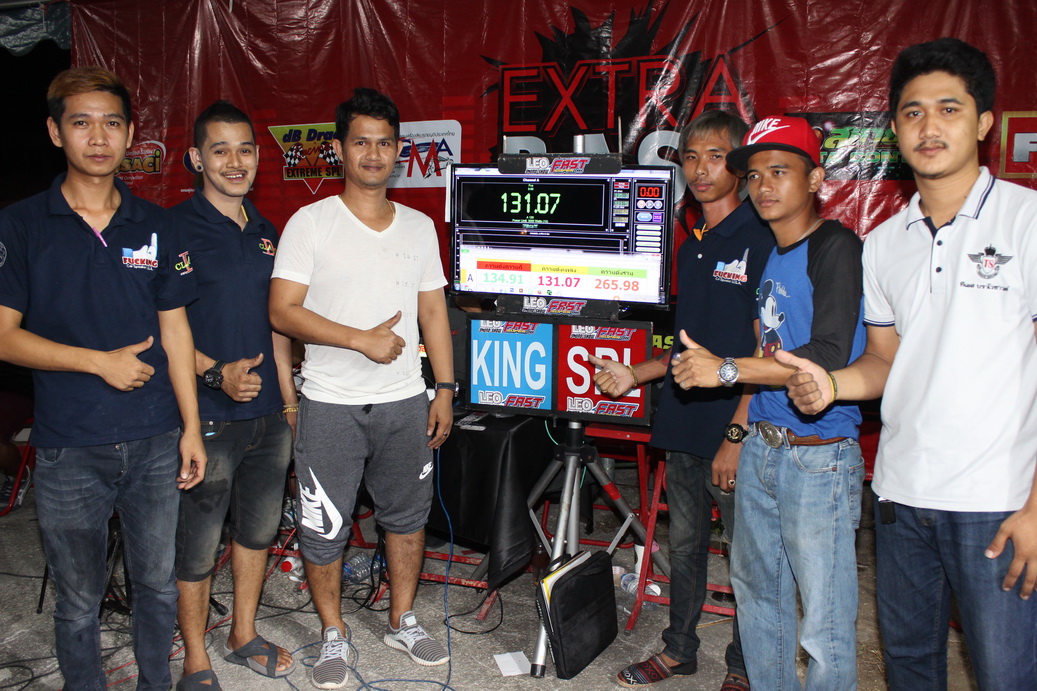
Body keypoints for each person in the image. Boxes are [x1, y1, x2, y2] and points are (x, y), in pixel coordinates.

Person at [780, 38, 1037, 690]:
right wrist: (829, 384)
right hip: (898, 499)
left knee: (1007, 676)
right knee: (909, 670)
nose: (929, 126)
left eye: (949, 109)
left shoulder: (1026, 222)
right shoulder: (883, 243)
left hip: (999, 504)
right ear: (894, 130)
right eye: (912, 112)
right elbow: (883, 360)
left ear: (983, 123)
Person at [0, 67, 205, 691]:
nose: (98, 137)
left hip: (155, 439)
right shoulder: (21, 224)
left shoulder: (158, 225)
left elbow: (176, 333)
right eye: (81, 123)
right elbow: (4, 335)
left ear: (131, 133)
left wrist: (191, 427)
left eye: (112, 123)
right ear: (55, 132)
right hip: (69, 444)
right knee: (78, 600)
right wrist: (97, 361)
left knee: (157, 587)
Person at [671, 115, 866, 690]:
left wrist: (725, 370)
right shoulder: (775, 255)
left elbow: (826, 353)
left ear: (816, 179)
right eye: (755, 175)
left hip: (819, 454)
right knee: (759, 602)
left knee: (824, 625)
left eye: (779, 172)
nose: (764, 186)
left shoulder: (835, 246)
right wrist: (742, 429)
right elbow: (768, 346)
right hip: (763, 447)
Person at [269, 87, 455, 690]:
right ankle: (333, 632)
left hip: (404, 401)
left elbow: (433, 313)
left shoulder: (420, 227)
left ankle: (403, 619)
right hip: (329, 403)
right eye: (361, 142)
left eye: (384, 143)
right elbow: (282, 311)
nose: (373, 154)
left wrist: (444, 388)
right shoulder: (310, 222)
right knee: (324, 526)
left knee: (406, 518)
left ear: (399, 150)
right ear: (339, 150)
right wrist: (359, 340)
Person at [592, 110, 772, 691]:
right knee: (686, 547)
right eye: (690, 157)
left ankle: (745, 665)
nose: (699, 170)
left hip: (737, 430)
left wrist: (737, 434)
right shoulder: (689, 243)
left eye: (715, 157)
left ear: (739, 166)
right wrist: (635, 373)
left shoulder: (762, 239)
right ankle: (679, 651)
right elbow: (688, 347)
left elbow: (768, 352)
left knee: (748, 557)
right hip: (684, 422)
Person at [170, 101, 299, 690]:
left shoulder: (267, 232)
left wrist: (289, 402)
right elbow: (161, 328)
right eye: (219, 150)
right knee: (197, 546)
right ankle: (195, 658)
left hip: (268, 417)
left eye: (245, 149)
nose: (234, 161)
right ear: (197, 159)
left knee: (258, 532)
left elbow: (278, 324)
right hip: (208, 417)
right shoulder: (174, 229)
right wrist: (214, 373)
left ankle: (242, 633)